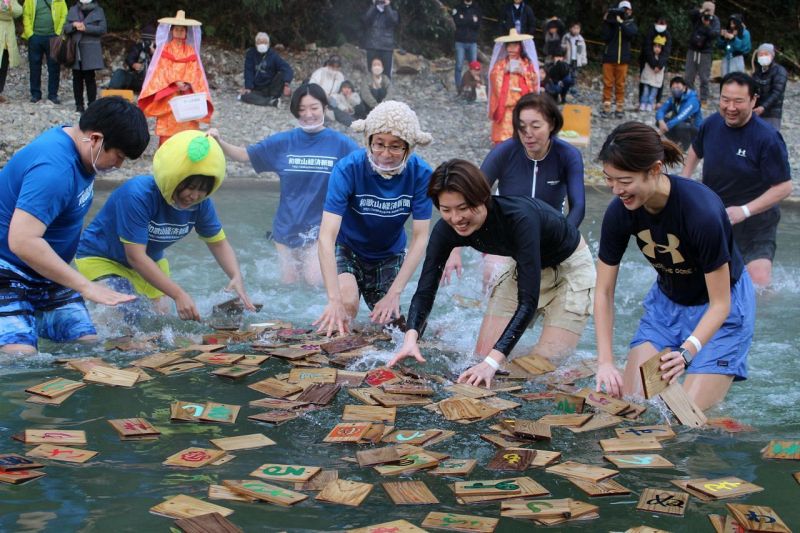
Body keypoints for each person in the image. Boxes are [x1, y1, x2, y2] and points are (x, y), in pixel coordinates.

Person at [388, 159, 594, 388]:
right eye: (446, 210)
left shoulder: (520, 218)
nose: (456, 219)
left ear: (482, 198)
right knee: (479, 360)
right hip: (522, 263)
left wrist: (493, 362)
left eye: (463, 208)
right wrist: (411, 336)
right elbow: (426, 288)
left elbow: (528, 301)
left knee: (544, 365)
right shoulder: (447, 230)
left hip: (570, 269)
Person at [594, 122, 755, 411]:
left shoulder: (701, 212)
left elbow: (721, 304)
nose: (616, 190)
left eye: (625, 180)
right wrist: (605, 361)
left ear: (655, 170)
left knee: (685, 418)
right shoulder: (619, 212)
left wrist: (687, 351)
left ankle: (733, 430)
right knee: (632, 407)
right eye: (609, 179)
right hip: (666, 305)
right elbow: (603, 291)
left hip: (720, 310)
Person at [0, 97, 149, 354]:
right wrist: (86, 285)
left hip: (44, 272)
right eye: (118, 156)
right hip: (6, 269)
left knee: (85, 344)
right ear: (95, 139)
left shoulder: (81, 149)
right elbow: (22, 241)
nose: (119, 166)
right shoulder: (54, 170)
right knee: (20, 355)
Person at [444, 94, 589, 347]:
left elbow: (579, 207)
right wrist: (453, 248)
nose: (528, 134)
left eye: (536, 126)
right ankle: (484, 315)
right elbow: (466, 200)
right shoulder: (504, 152)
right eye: (522, 127)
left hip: (552, 236)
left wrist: (564, 237)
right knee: (491, 269)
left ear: (552, 125)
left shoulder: (568, 155)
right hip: (508, 238)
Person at [76, 130, 254, 321]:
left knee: (160, 322)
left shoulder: (201, 204)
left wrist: (236, 276)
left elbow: (218, 243)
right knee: (124, 319)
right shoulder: (138, 195)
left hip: (150, 261)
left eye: (203, 189)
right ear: (174, 178)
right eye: (190, 187)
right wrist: (178, 294)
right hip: (102, 258)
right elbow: (135, 257)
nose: (194, 196)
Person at [209, 84, 359, 286]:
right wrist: (219, 141)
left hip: (319, 229)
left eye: (314, 108)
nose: (308, 114)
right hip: (286, 227)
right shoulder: (284, 142)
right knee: (288, 285)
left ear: (324, 107)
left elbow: (364, 171)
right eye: (302, 109)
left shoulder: (341, 144)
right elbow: (245, 155)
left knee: (314, 280)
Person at [314, 100, 433, 336]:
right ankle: (338, 353)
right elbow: (326, 237)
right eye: (379, 144)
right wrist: (333, 298)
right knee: (346, 303)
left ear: (409, 147)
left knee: (393, 327)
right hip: (349, 247)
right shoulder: (348, 169)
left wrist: (394, 294)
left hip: (389, 254)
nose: (385, 154)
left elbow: (420, 239)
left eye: (395, 147)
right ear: (368, 140)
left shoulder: (421, 174)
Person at [681, 72, 792, 288]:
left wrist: (745, 211)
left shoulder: (767, 138)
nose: (730, 107)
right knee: (700, 279)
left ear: (753, 101)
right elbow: (696, 149)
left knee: (758, 284)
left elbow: (785, 187)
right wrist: (685, 179)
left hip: (757, 222)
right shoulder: (711, 124)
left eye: (738, 101)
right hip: (716, 216)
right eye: (725, 99)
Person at [138, 10, 213, 146]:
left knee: (188, 126)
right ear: (171, 31)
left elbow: (194, 69)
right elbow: (162, 69)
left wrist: (187, 82)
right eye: (176, 29)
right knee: (168, 129)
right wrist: (175, 82)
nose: (179, 32)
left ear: (186, 32)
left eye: (182, 30)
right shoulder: (164, 49)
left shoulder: (191, 51)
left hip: (187, 92)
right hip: (169, 95)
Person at [488, 28, 539, 145]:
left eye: (514, 46)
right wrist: (504, 71)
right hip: (505, 103)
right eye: (509, 46)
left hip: (521, 100)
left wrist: (524, 73)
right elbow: (493, 75)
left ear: (520, 47)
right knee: (503, 134)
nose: (511, 49)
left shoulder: (526, 63)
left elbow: (534, 79)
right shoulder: (501, 64)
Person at [64, 0, 107, 114]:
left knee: (90, 78)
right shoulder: (73, 9)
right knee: (76, 77)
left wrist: (86, 28)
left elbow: (102, 29)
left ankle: (91, 105)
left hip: (91, 49)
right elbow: (65, 28)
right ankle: (79, 105)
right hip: (76, 48)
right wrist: (73, 25)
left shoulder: (99, 10)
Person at [22, 0, 66, 104]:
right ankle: (36, 94)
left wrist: (58, 33)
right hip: (35, 37)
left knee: (54, 67)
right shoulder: (30, 0)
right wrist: (30, 34)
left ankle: (53, 95)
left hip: (53, 37)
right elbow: (26, 16)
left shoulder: (59, 0)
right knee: (34, 66)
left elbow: (64, 16)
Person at [600, 0, 637, 118]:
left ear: (630, 11)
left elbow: (631, 34)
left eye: (627, 10)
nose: (624, 12)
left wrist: (622, 23)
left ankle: (619, 107)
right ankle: (606, 107)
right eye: (622, 10)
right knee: (608, 83)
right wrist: (607, 22)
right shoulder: (611, 23)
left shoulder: (630, 23)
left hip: (623, 59)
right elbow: (605, 37)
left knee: (620, 84)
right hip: (609, 58)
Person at [241, 32, 293, 107]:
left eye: (264, 42)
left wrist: (287, 84)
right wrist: (248, 87)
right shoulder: (251, 54)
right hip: (258, 89)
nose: (262, 44)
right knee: (244, 96)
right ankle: (270, 101)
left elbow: (287, 68)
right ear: (256, 44)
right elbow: (248, 71)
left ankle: (270, 98)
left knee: (281, 74)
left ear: (268, 44)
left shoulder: (273, 55)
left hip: (271, 87)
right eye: (260, 42)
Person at [684, 2, 719, 107]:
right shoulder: (697, 17)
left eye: (710, 10)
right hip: (692, 49)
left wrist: (707, 26)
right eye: (706, 9)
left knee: (704, 78)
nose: (708, 12)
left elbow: (715, 34)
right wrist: (701, 12)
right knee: (688, 76)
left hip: (705, 52)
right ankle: (691, 96)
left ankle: (703, 99)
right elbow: (690, 14)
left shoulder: (715, 20)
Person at [656, 76, 703, 151]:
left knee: (679, 125)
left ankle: (685, 146)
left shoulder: (693, 100)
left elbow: (681, 117)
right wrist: (661, 121)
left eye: (678, 87)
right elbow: (661, 110)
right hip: (681, 124)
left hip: (694, 129)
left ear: (684, 87)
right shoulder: (674, 98)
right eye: (673, 88)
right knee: (659, 121)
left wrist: (663, 129)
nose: (675, 90)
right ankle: (676, 141)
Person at [107, 22, 156, 93]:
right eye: (146, 40)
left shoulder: (158, 50)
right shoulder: (138, 47)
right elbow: (129, 58)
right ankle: (111, 95)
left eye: (151, 41)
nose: (148, 43)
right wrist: (133, 64)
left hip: (154, 81)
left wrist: (154, 53)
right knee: (119, 73)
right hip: (138, 79)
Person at [752, 43, 787, 131]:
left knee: (770, 138)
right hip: (756, 111)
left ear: (772, 55)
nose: (763, 56)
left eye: (766, 54)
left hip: (772, 113)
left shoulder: (780, 71)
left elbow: (777, 92)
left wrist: (763, 107)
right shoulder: (757, 71)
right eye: (761, 54)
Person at [638, 15, 671, 105]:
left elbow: (666, 51)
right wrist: (653, 64)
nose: (661, 25)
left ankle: (657, 101)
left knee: (659, 81)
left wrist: (659, 65)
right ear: (655, 23)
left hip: (661, 63)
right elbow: (647, 49)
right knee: (644, 80)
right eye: (659, 23)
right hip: (646, 61)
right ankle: (641, 100)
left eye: (663, 23)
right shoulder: (650, 32)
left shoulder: (667, 35)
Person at [362, 0, 398, 78]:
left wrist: (387, 6)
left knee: (386, 75)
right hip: (372, 46)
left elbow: (392, 21)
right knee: (371, 73)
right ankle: (372, 89)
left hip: (386, 48)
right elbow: (366, 20)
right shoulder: (372, 11)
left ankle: (386, 89)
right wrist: (375, 5)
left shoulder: (393, 12)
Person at [451, 0, 481, 92]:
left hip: (472, 41)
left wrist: (464, 19)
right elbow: (458, 22)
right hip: (460, 41)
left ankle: (474, 88)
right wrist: (471, 20)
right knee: (459, 66)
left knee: (475, 67)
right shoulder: (457, 8)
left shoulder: (477, 8)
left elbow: (478, 24)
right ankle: (459, 89)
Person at [0, 0, 22, 103]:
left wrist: (9, 9)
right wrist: (8, 13)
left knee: (3, 67)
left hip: (6, 42)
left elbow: (19, 11)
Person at [639, 36, 666, 112]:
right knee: (645, 91)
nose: (657, 49)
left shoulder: (662, 59)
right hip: (647, 77)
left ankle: (650, 104)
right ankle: (643, 103)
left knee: (653, 93)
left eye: (659, 47)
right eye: (655, 46)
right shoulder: (649, 56)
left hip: (656, 79)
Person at [561, 21, 586, 92]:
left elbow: (582, 51)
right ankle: (565, 87)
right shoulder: (566, 37)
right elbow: (561, 46)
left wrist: (583, 59)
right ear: (570, 29)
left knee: (574, 74)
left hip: (576, 59)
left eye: (578, 28)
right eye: (574, 28)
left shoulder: (580, 39)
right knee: (566, 73)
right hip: (567, 58)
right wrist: (564, 47)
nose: (576, 30)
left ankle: (573, 87)